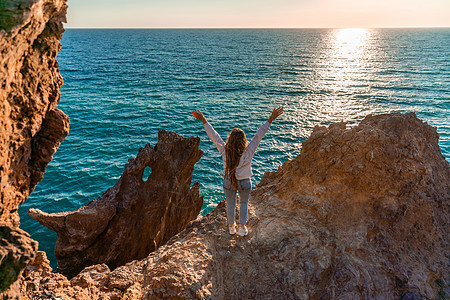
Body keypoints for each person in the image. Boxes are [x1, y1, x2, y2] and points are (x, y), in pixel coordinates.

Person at [191, 107, 284, 236]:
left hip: (229, 181)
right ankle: (241, 227)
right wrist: (271, 119)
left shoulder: (225, 150)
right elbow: (259, 135)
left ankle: (231, 227)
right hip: (245, 182)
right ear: (243, 140)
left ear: (230, 139)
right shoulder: (249, 151)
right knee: (244, 203)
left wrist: (204, 120)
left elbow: (214, 136)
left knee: (230, 204)